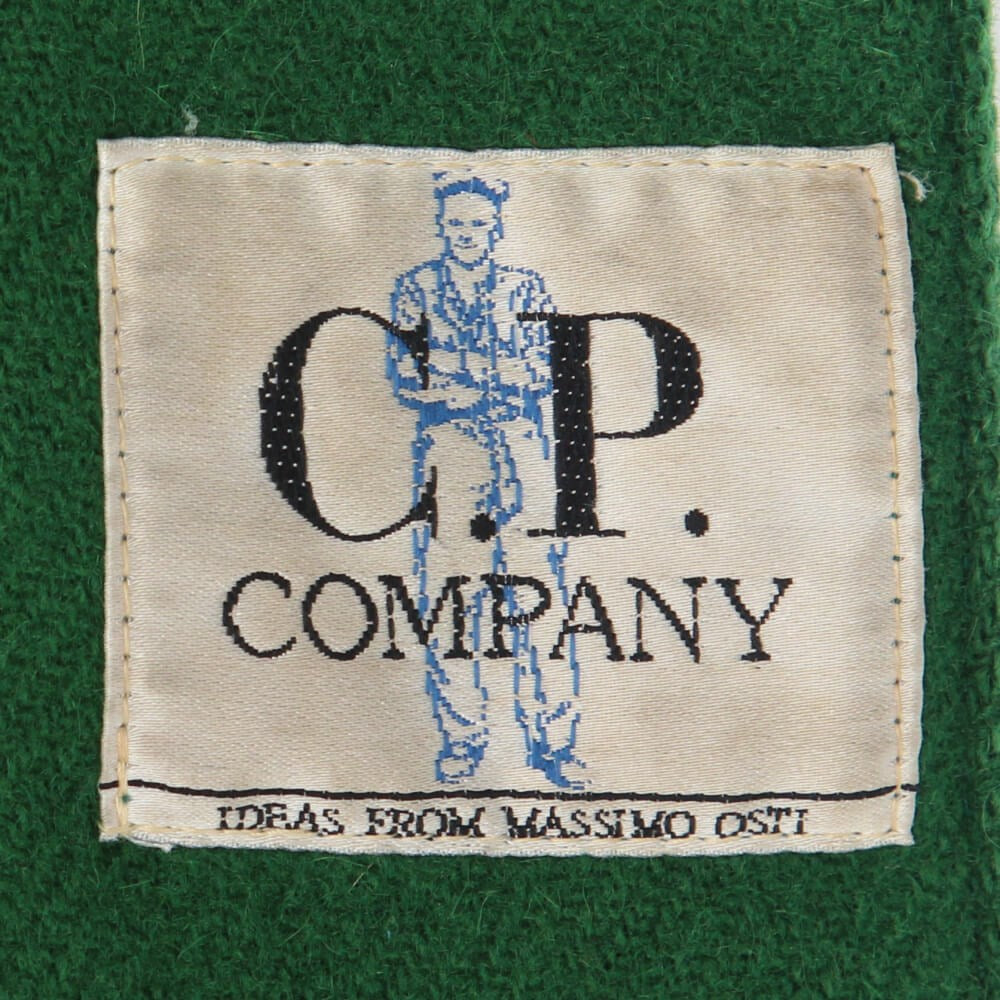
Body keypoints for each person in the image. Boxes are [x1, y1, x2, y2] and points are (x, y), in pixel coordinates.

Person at [386, 174, 585, 788]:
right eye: (456, 224)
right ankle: (463, 739)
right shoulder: (416, 287)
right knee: (451, 592)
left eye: (478, 224)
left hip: (523, 446)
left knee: (541, 592)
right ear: (441, 226)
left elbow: (547, 367)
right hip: (450, 448)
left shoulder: (525, 286)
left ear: (496, 227)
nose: (467, 234)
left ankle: (553, 743)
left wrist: (462, 370)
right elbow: (406, 375)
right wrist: (479, 377)